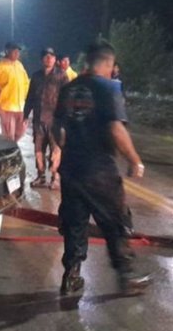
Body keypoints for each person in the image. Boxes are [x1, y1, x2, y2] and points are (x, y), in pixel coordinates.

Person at [52, 41, 149, 295]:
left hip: (71, 168)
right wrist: (134, 160)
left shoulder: (69, 88)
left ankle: (71, 276)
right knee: (116, 221)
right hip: (98, 169)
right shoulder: (108, 87)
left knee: (75, 223)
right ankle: (126, 277)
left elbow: (56, 128)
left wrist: (63, 148)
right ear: (107, 63)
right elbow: (115, 128)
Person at [23, 47, 68, 190]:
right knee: (38, 150)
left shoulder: (61, 76)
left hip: (55, 121)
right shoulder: (36, 77)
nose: (48, 59)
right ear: (42, 59)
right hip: (39, 120)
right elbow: (30, 97)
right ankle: (41, 176)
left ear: (55, 60)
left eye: (51, 56)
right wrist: (25, 115)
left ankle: (55, 178)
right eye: (46, 56)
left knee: (56, 150)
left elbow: (67, 98)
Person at [0, 41, 30, 142]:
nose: (17, 53)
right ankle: (8, 156)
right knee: (8, 138)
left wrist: (27, 100)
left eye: (18, 51)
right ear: (7, 51)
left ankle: (12, 152)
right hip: (6, 108)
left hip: (20, 108)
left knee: (20, 133)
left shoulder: (19, 65)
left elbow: (26, 83)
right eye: (14, 51)